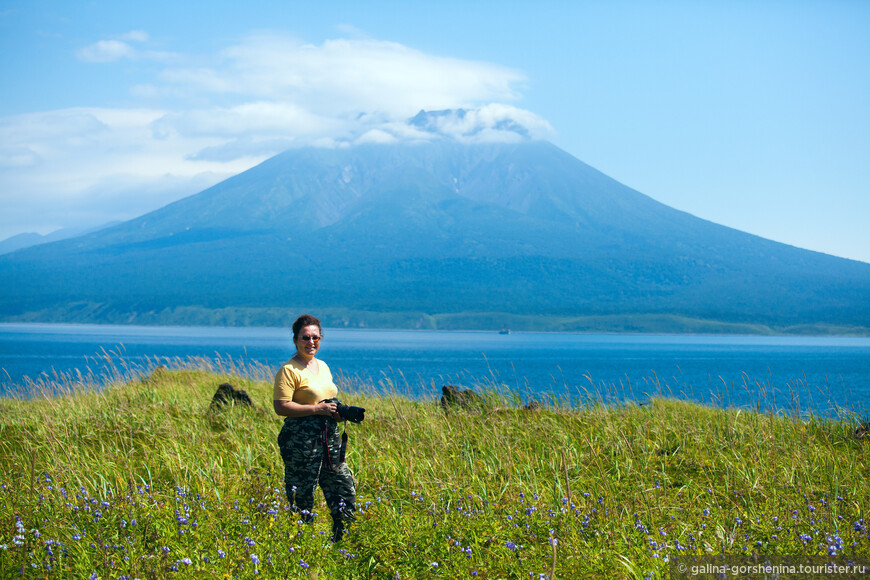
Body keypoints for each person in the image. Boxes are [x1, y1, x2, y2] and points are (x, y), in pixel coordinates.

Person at [273, 314, 356, 542]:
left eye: (316, 337)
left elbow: (327, 399)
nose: (311, 342)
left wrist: (338, 413)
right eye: (306, 338)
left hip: (330, 441)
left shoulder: (323, 366)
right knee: (303, 497)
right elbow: (281, 406)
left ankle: (342, 544)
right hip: (301, 443)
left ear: (321, 339)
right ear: (295, 340)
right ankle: (303, 548)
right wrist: (315, 410)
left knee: (344, 490)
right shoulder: (289, 370)